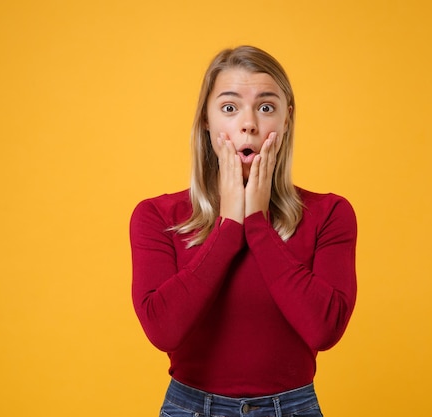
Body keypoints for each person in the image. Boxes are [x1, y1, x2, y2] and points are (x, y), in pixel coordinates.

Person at [130, 45, 357, 417]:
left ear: (286, 119)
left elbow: (324, 331)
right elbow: (163, 331)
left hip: (293, 408)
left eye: (266, 107)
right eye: (230, 107)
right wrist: (228, 226)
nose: (249, 123)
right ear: (207, 120)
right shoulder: (156, 216)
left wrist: (257, 224)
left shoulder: (330, 213)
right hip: (190, 408)